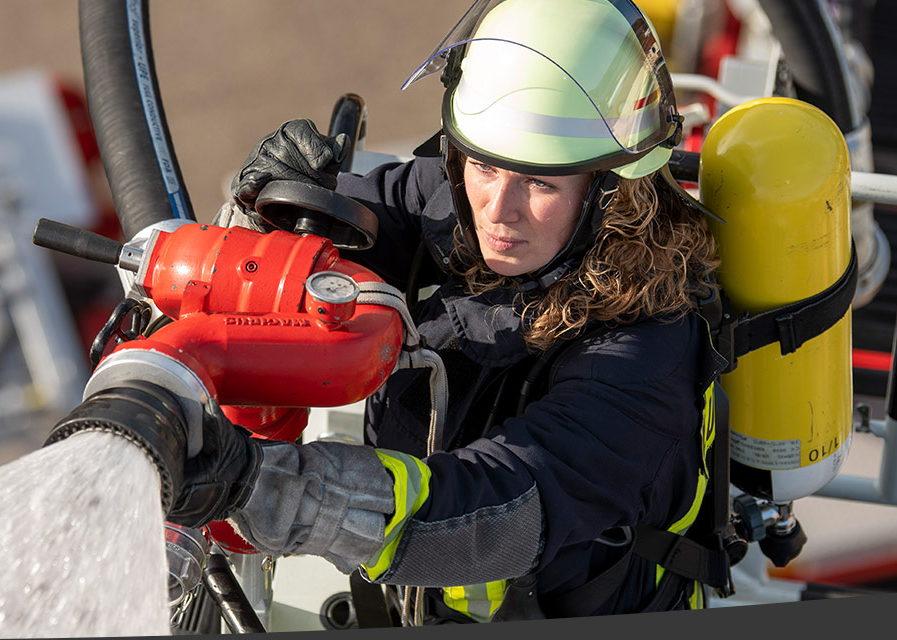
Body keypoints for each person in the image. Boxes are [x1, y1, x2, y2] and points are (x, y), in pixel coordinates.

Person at [170, 0, 729, 622]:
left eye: (539, 182)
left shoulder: (648, 348)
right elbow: (327, 244)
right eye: (485, 164)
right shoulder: (450, 199)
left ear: (610, 188)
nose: (498, 208)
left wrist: (268, 488)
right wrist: (262, 220)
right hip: (406, 600)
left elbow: (505, 508)